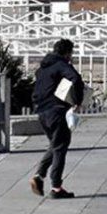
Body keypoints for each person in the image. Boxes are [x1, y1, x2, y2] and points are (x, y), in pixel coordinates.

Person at [30, 39, 85, 199]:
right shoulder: (61, 65)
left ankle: (39, 176)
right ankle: (56, 187)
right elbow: (76, 78)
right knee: (61, 147)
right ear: (67, 53)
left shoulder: (43, 68)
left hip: (42, 112)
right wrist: (78, 102)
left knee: (55, 144)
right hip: (56, 111)